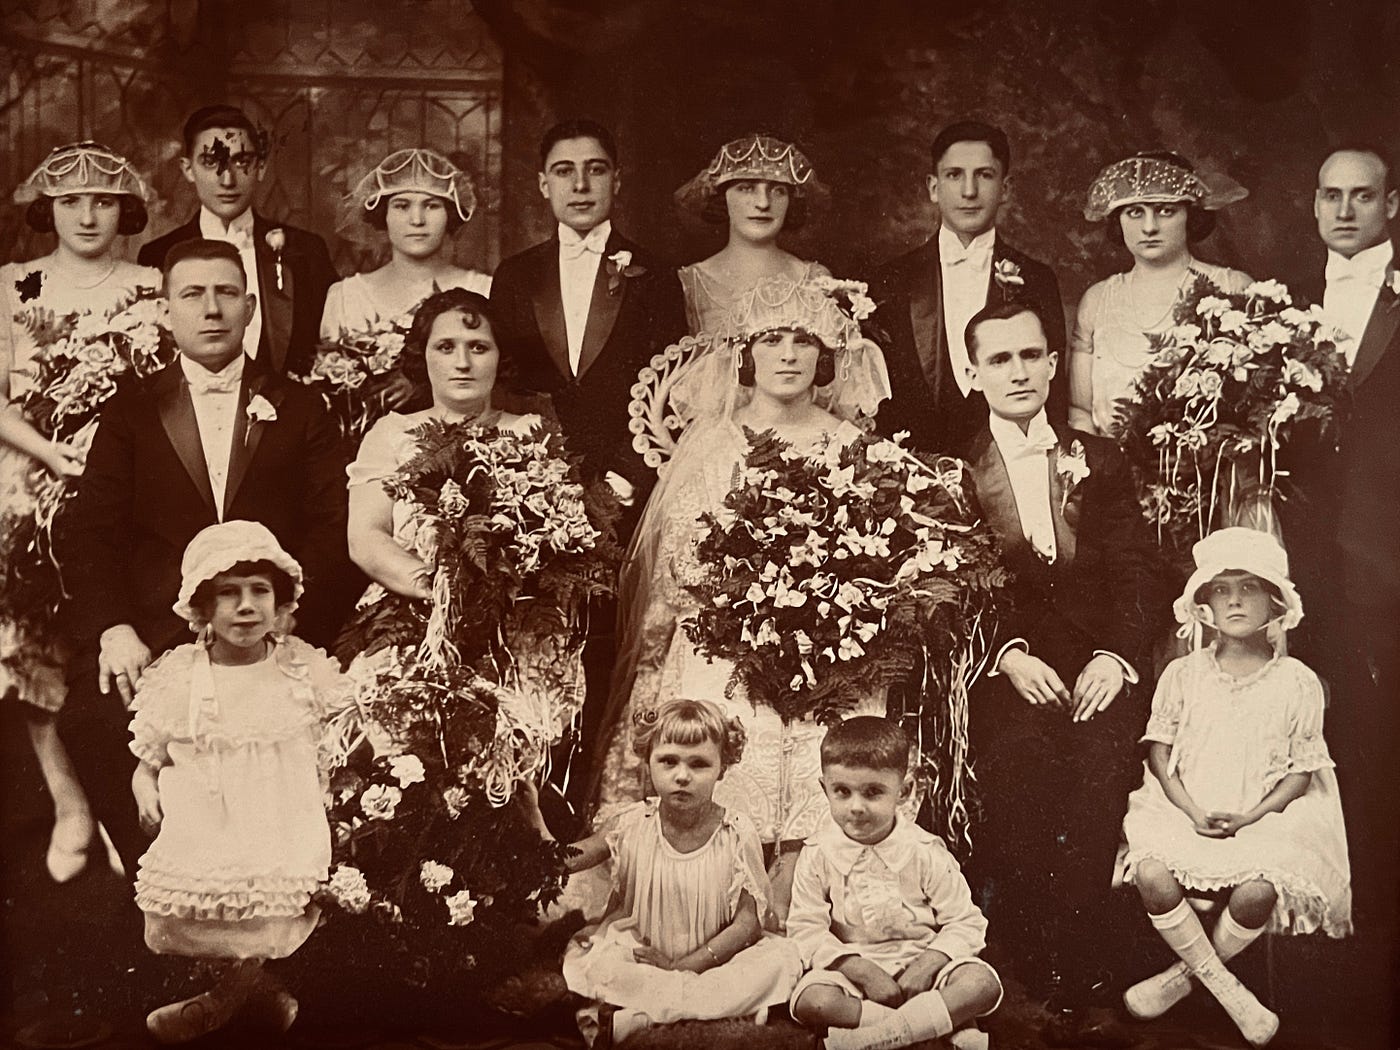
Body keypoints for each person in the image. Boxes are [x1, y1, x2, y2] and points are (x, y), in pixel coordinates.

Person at [590, 274, 891, 916]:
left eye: (804, 341)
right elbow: (679, 560)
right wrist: (754, 606)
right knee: (725, 715)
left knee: (838, 728)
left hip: (829, 639)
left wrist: (818, 609)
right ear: (746, 354)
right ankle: (720, 898)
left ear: (826, 355)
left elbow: (873, 557)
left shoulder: (852, 445)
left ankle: (820, 898)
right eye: (772, 339)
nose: (788, 355)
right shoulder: (711, 446)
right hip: (726, 632)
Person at [57, 238, 353, 879]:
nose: (211, 309)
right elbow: (90, 532)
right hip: (159, 629)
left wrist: (288, 618)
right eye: (192, 294)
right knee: (89, 714)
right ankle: (159, 881)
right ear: (166, 311)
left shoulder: (300, 408)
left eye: (226, 294)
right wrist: (114, 628)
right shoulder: (131, 410)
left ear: (250, 307)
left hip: (271, 625)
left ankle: (284, 897)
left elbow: (334, 528)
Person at [959, 299, 1160, 1043]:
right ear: (972, 372)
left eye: (1029, 355)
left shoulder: (1099, 460)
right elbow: (949, 587)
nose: (1016, 371)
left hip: (1097, 669)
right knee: (1018, 777)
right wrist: (1007, 657)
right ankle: (1034, 968)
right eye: (999, 359)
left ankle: (1086, 970)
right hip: (1007, 673)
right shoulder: (955, 470)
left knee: (1100, 783)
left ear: (1051, 364)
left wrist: (1115, 658)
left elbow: (1136, 573)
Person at [489, 118, 686, 807]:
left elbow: (674, 386)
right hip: (538, 493)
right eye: (565, 171)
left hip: (626, 493)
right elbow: (504, 383)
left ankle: (591, 795)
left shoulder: (655, 275)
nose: (580, 183)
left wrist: (624, 481)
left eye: (595, 169)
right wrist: (537, 484)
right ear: (543, 185)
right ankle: (532, 796)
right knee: (538, 641)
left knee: (609, 641)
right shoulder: (516, 276)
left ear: (616, 180)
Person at [1116, 526, 1350, 1048]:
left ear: (1275, 604)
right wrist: (1193, 812)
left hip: (1262, 816)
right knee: (1152, 874)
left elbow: (1301, 772)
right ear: (1203, 605)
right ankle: (1230, 990)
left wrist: (1249, 818)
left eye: (1249, 588)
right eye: (1222, 590)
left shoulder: (1296, 681)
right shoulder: (1183, 674)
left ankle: (1187, 979)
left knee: (1257, 890)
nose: (1235, 601)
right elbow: (1160, 753)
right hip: (1187, 808)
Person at [0, 142, 160, 882]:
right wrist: (48, 450)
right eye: (71, 202)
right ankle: (69, 801)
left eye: (103, 201)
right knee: (35, 645)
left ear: (125, 211)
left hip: (123, 483)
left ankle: (127, 800)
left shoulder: (153, 283)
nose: (88, 215)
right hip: (33, 475)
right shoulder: (14, 285)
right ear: (49, 211)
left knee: (119, 630)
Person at [129, 521, 349, 1043]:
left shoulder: (300, 668)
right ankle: (241, 992)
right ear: (203, 608)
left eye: (260, 592)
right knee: (206, 914)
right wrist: (145, 789)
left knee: (278, 912)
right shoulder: (182, 673)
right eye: (229, 594)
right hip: (210, 817)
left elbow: (341, 736)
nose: (246, 607)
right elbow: (149, 757)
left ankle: (237, 997)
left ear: (281, 603)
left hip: (283, 814)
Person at [526, 698, 802, 1046]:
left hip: (714, 957)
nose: (682, 776)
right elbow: (564, 861)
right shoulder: (630, 823)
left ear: (722, 768)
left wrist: (683, 966)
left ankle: (640, 1017)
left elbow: (747, 924)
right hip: (640, 949)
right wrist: (533, 813)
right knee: (600, 964)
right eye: (668, 761)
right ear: (648, 762)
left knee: (776, 963)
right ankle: (687, 1010)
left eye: (699, 764)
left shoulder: (736, 831)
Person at [787, 716, 1002, 1050]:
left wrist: (928, 964)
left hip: (925, 968)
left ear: (904, 791)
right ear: (824, 788)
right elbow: (806, 928)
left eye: (873, 792)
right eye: (842, 792)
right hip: (854, 971)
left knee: (981, 983)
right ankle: (931, 1026)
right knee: (812, 1001)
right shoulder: (818, 855)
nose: (856, 807)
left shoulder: (924, 851)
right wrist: (858, 969)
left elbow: (965, 921)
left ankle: (874, 1038)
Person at [874, 120, 1066, 457]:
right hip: (914, 472)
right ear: (933, 187)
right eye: (954, 175)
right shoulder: (891, 280)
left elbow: (1055, 393)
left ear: (1005, 189)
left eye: (984, 175)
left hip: (1012, 470)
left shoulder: (1037, 279)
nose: (969, 192)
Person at [346, 287, 538, 607]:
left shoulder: (529, 430)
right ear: (423, 355)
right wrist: (438, 590)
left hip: (517, 607)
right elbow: (365, 537)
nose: (462, 362)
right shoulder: (391, 434)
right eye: (446, 347)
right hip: (415, 607)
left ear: (500, 356)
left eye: (478, 347)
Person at [138, 105, 336, 376]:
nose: (228, 179)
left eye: (242, 162)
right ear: (187, 169)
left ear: (261, 167)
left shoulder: (306, 251)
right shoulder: (157, 255)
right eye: (210, 163)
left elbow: (329, 348)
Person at [1070, 151, 1251, 435]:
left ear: (1190, 215)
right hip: (1112, 470)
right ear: (1118, 219)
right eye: (1135, 212)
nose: (1149, 227)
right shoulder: (1097, 300)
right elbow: (1080, 411)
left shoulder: (1232, 287)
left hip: (1208, 472)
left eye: (1165, 210)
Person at [322, 148, 491, 412]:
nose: (417, 220)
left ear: (450, 215)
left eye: (431, 206)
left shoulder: (482, 289)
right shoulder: (344, 296)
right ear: (383, 215)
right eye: (401, 206)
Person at [673, 133, 830, 335]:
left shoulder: (814, 279)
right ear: (722, 197)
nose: (763, 203)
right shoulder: (691, 283)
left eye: (778, 191)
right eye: (746, 188)